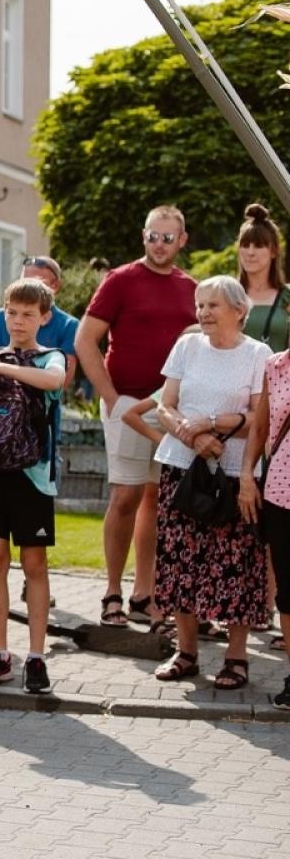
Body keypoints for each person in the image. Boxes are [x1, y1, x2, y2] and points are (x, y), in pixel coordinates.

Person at [128, 277, 269, 689]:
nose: (203, 312)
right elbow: (165, 406)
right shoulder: (186, 347)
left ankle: (237, 657)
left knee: (237, 563)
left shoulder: (258, 354)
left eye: (212, 305)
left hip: (234, 474)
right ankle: (186, 652)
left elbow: (260, 420)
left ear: (239, 311)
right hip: (180, 467)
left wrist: (213, 425)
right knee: (179, 561)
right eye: (200, 305)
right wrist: (192, 435)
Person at [74, 206, 197, 628]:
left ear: (182, 240)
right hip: (126, 404)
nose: (159, 245)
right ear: (142, 237)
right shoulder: (121, 280)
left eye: (168, 238)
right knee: (125, 497)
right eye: (152, 236)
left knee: (158, 503)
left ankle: (145, 595)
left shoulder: (192, 289)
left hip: (172, 410)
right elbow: (86, 339)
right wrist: (109, 396)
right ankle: (112, 592)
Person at [0, 279, 68, 694]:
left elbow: (55, 382)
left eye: (27, 314)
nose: (18, 321)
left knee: (35, 565)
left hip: (32, 478)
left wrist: (2, 368)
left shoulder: (49, 358)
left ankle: (36, 657)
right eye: (11, 312)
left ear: (44, 317)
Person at [239, 324, 290, 707]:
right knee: (288, 592)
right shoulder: (276, 365)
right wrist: (245, 476)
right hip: (281, 492)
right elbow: (260, 427)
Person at [0, 255, 79, 387]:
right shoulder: (0, 317)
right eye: (24, 281)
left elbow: (61, 381)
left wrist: (2, 369)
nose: (28, 289)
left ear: (56, 286)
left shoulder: (68, 325)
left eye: (38, 282)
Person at [237, 203, 289, 353]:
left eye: (259, 246)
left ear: (273, 251)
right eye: (245, 245)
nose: (250, 252)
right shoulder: (227, 294)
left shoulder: (287, 297)